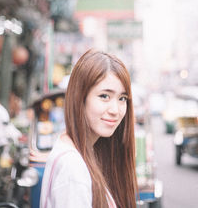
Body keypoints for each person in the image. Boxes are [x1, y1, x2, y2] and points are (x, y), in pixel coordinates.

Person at [40, 49, 138, 208]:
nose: (115, 110)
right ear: (80, 98)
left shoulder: (84, 152)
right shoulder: (73, 168)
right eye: (104, 96)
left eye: (122, 98)